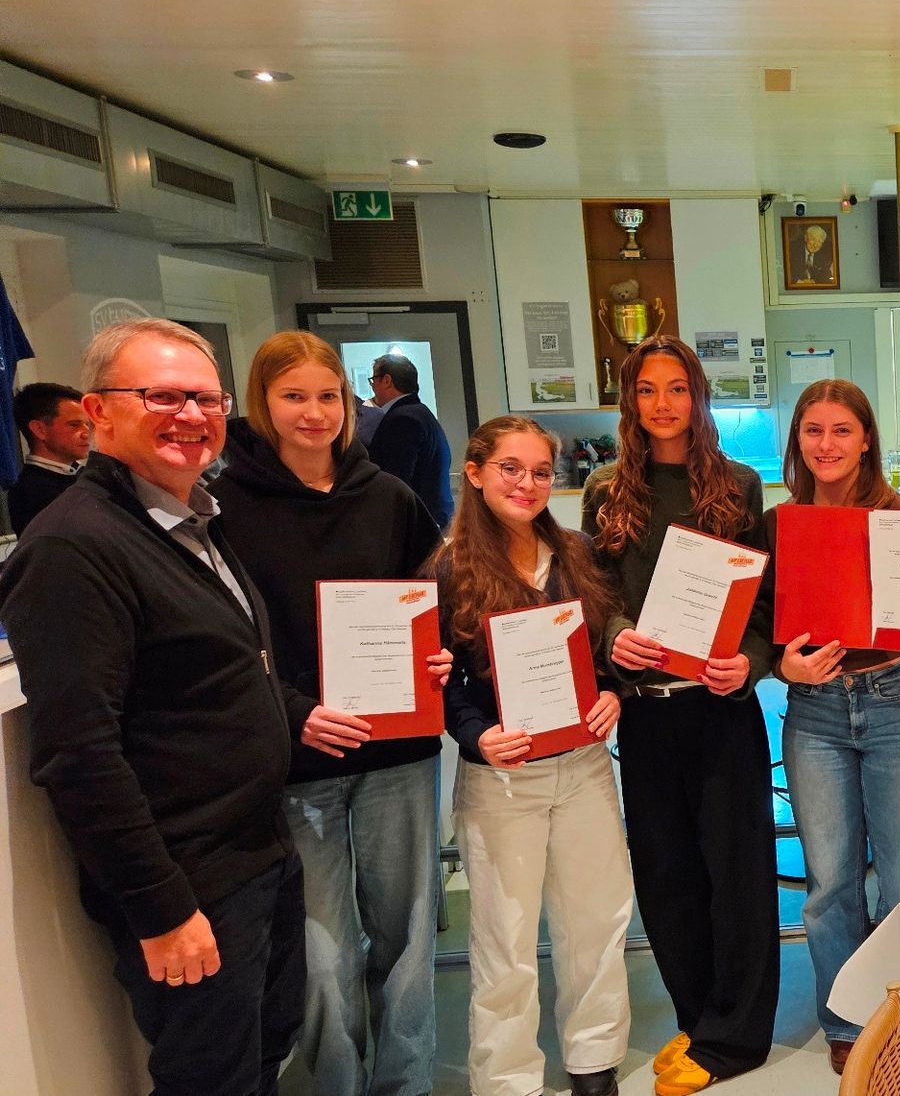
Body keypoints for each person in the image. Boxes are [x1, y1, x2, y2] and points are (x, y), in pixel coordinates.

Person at [0, 318, 304, 1095]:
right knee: (211, 1079)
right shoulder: (72, 547)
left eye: (207, 399)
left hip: (256, 852)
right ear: (97, 411)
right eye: (162, 396)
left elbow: (225, 676)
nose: (191, 416)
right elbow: (78, 753)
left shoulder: (190, 521)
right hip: (189, 882)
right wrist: (161, 908)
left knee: (264, 1053)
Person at [209, 331, 447, 1096]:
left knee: (408, 939)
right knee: (322, 953)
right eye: (294, 397)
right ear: (262, 403)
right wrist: (294, 712)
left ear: (349, 402)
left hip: (396, 754)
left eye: (328, 396)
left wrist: (440, 654)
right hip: (296, 758)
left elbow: (434, 598)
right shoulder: (222, 508)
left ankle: (406, 1085)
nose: (314, 413)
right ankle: (339, 1084)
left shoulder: (388, 498)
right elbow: (224, 640)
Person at [770, 378, 900, 1073]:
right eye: (813, 430)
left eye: (842, 430)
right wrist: (781, 665)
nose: (827, 444)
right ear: (798, 441)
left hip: (898, 704)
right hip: (816, 712)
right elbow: (758, 621)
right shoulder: (781, 523)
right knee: (830, 881)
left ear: (866, 439)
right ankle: (845, 1019)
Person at [582, 335, 777, 1096]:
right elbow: (597, 593)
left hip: (720, 707)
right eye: (646, 390)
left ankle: (738, 1038)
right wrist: (612, 635)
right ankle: (698, 1020)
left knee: (738, 876)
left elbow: (761, 604)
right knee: (667, 877)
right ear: (629, 401)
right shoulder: (605, 489)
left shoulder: (738, 485)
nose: (662, 404)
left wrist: (750, 662)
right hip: (647, 713)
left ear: (698, 396)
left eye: (676, 388)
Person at [434, 415, 630, 1096]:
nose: (527, 483)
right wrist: (476, 735)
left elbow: (601, 651)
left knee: (597, 922)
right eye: (510, 469)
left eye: (541, 472)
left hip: (582, 769)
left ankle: (594, 1061)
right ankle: (508, 1080)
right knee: (504, 941)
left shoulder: (575, 553)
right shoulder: (447, 567)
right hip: (503, 780)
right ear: (475, 473)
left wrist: (613, 694)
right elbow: (440, 682)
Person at [366, 353, 454, 527]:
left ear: (386, 380)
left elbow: (396, 480)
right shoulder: (419, 412)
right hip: (433, 516)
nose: (373, 386)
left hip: (418, 522)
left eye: (373, 380)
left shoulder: (403, 418)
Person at [8, 380, 89, 531]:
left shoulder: (86, 474)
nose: (86, 433)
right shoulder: (30, 493)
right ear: (40, 430)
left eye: (87, 425)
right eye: (74, 425)